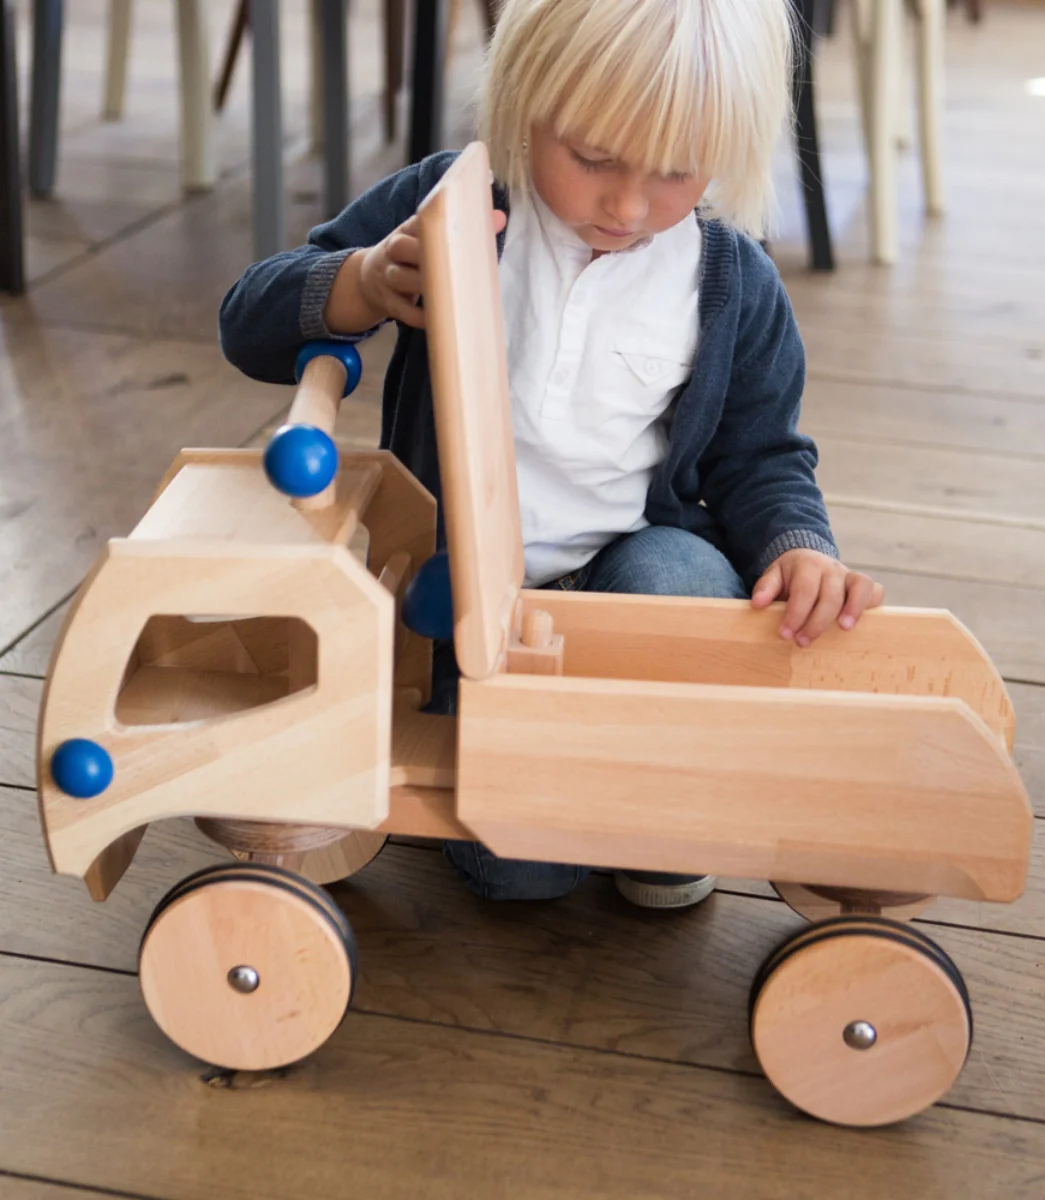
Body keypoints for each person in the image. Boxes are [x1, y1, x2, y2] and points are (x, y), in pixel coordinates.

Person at [218, 0, 884, 910]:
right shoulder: (453, 205)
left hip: (634, 576)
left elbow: (763, 455)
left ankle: (658, 809)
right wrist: (363, 278)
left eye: (676, 172)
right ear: (527, 101)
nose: (627, 204)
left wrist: (798, 546)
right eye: (596, 159)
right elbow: (249, 321)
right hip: (471, 612)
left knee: (683, 581)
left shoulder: (730, 280)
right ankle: (585, 804)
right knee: (519, 873)